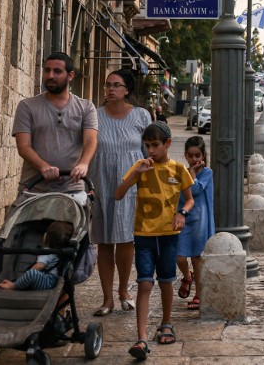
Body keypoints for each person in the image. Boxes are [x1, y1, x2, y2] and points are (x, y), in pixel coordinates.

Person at [115, 122, 193, 361]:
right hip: (143, 235)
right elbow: (118, 194)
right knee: (145, 283)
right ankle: (141, 338)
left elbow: (189, 200)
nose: (150, 150)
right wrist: (135, 174)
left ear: (167, 144)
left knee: (167, 281)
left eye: (155, 145)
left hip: (168, 236)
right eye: (147, 146)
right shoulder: (140, 167)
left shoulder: (179, 170)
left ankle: (166, 322)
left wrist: (182, 214)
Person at [88, 68, 152, 316]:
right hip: (102, 182)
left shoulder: (141, 115)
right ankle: (107, 299)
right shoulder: (94, 115)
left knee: (126, 239)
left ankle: (124, 291)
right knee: (104, 241)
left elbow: (149, 152)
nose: (110, 89)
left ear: (127, 90)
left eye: (116, 85)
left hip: (131, 185)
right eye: (107, 85)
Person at [12, 52, 98, 197]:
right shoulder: (27, 106)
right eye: (47, 70)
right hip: (34, 186)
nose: (50, 75)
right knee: (16, 220)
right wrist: (44, 167)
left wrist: (83, 164)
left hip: (71, 187)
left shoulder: (86, 107)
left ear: (70, 75)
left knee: (71, 219)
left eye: (57, 71)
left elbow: (91, 140)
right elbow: (23, 147)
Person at [176, 136, 214, 311]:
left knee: (197, 258)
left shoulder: (207, 173)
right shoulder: (181, 171)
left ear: (203, 155)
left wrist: (191, 174)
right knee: (180, 256)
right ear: (185, 155)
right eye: (190, 156)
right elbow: (180, 194)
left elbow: (196, 190)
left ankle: (199, 293)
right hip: (185, 217)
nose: (194, 160)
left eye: (197, 156)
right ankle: (186, 276)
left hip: (200, 220)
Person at [0, 221, 74, 291]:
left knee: (32, 273)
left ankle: (14, 286)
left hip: (48, 282)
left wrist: (25, 276)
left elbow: (40, 265)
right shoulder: (62, 253)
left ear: (45, 236)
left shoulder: (47, 252)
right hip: (56, 281)